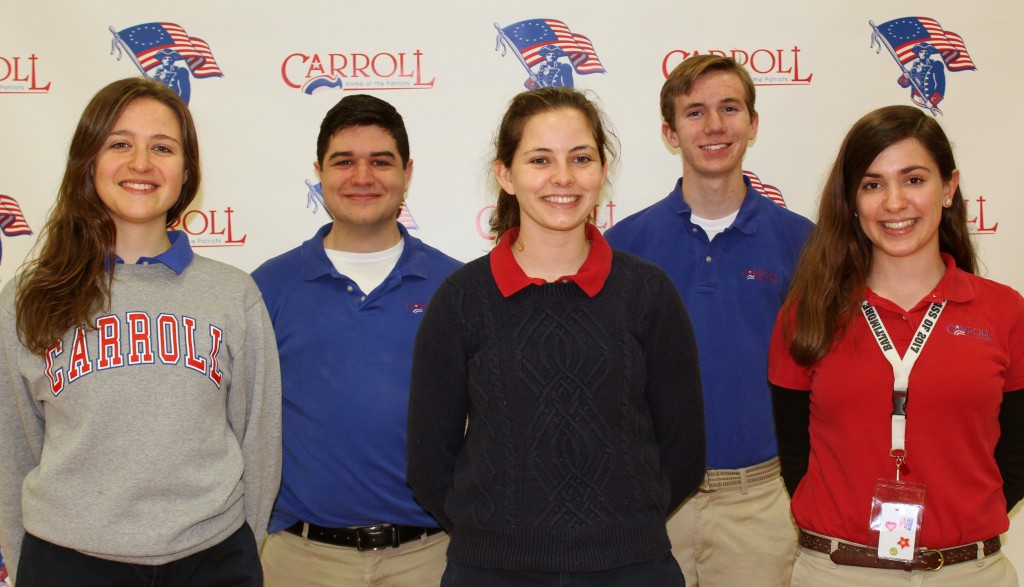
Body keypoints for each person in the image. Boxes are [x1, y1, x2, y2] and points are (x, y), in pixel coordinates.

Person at [407, 86, 705, 586]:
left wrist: (619, 531)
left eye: (580, 158)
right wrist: (496, 534)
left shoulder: (647, 292)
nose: (563, 178)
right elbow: (429, 460)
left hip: (631, 567)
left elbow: (684, 449)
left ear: (602, 170)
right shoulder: (462, 299)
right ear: (505, 174)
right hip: (491, 570)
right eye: (540, 159)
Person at [0, 77, 281, 586]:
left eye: (163, 147)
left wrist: (236, 547)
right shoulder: (27, 298)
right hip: (68, 562)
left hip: (211, 562)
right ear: (88, 161)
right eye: (120, 144)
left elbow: (258, 443)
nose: (142, 164)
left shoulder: (233, 296)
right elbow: (12, 449)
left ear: (186, 170)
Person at [769, 105, 1023, 586]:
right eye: (872, 184)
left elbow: (1016, 452)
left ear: (948, 188)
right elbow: (795, 452)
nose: (893, 203)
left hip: (969, 572)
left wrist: (959, 522)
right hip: (839, 572)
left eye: (913, 179)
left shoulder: (1004, 312)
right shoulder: (810, 312)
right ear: (852, 200)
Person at [604, 54, 813, 586]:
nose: (715, 126)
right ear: (670, 133)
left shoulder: (803, 243)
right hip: (652, 502)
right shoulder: (623, 246)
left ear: (754, 124)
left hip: (760, 504)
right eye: (695, 113)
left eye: (729, 108)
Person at [253, 94, 461, 587]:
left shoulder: (456, 288)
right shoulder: (267, 288)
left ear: (407, 172)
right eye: (344, 161)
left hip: (430, 558)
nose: (362, 177)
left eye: (381, 162)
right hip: (300, 560)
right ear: (319, 172)